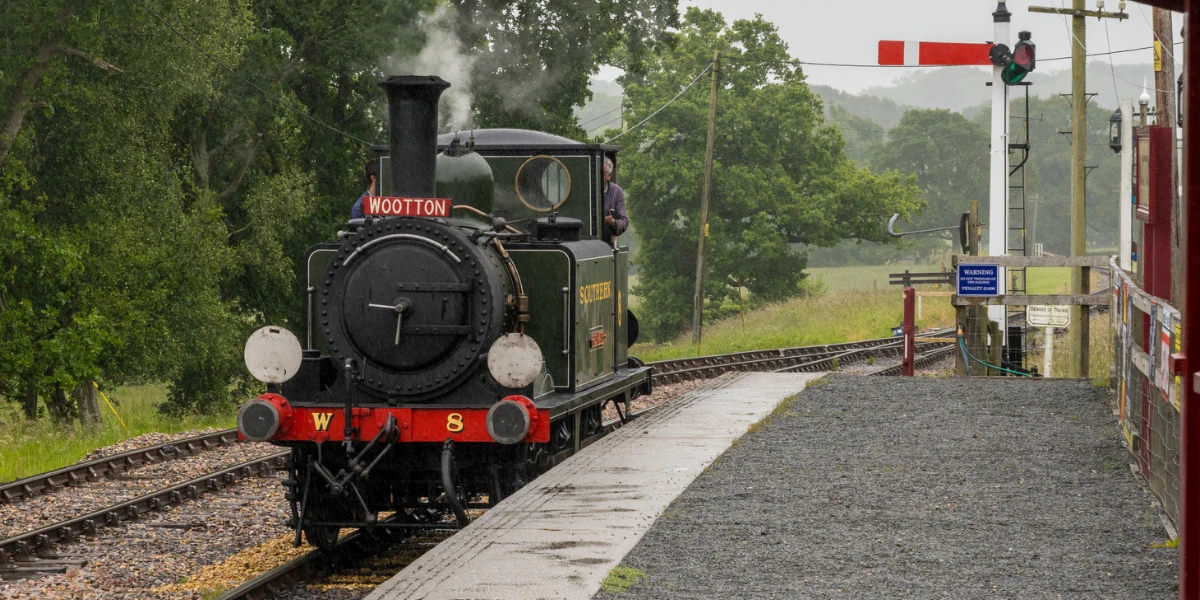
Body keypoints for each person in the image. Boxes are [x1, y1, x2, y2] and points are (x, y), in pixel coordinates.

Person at [601, 157, 628, 247]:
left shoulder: (616, 192)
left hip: (608, 243)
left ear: (609, 176)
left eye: (601, 174)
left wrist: (613, 222)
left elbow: (624, 221)